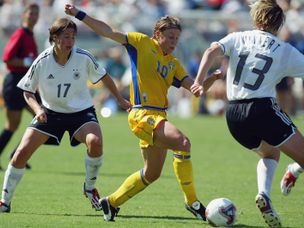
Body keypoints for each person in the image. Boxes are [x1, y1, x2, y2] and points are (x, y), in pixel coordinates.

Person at [64, 3, 222, 222]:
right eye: (170, 37)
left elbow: (195, 89)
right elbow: (107, 31)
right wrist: (78, 14)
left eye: (177, 38)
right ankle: (192, 202)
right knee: (183, 143)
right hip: (141, 114)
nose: (174, 42)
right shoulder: (140, 43)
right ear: (157, 34)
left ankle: (111, 202)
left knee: (152, 174)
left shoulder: (174, 64)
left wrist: (213, 77)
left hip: (159, 117)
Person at [0, 17, 131, 214]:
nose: (70, 41)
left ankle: (89, 188)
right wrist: (38, 110)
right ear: (54, 38)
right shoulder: (42, 60)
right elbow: (27, 91)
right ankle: (4, 202)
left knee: (95, 142)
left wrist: (119, 99)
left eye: (73, 37)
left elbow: (104, 77)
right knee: (20, 154)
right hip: (50, 113)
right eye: (65, 37)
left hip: (81, 113)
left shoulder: (84, 57)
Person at [190, 0, 304, 227]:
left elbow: (212, 50)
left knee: (270, 154)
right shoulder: (284, 50)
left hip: (234, 116)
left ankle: (264, 194)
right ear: (279, 23)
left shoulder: (236, 37)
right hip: (262, 110)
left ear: (256, 18)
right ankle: (294, 169)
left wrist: (199, 81)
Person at [0, 3, 40, 171]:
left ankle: (16, 154)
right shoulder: (20, 34)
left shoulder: (30, 35)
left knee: (44, 119)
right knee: (12, 125)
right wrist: (27, 62)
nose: (33, 16)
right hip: (15, 82)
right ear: (24, 15)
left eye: (36, 14)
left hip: (27, 84)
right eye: (31, 13)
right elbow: (7, 58)